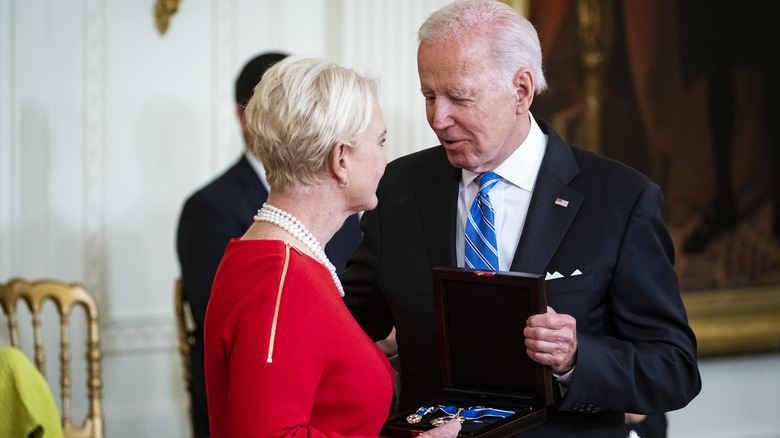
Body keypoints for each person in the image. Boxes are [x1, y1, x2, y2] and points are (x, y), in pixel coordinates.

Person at [341, 1, 702, 437]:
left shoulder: (622, 199)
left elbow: (673, 370)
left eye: (459, 97)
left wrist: (574, 358)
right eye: (429, 95)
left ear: (522, 90)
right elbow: (347, 328)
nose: (438, 119)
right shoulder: (399, 186)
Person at [203, 56, 461, 438]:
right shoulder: (280, 278)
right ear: (341, 160)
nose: (384, 161)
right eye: (380, 142)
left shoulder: (278, 259)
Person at [176, 52, 363, 437]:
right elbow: (232, 324)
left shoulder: (344, 202)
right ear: (245, 115)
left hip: (328, 394)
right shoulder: (209, 207)